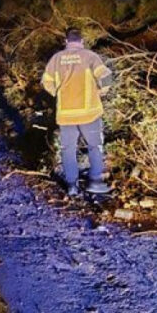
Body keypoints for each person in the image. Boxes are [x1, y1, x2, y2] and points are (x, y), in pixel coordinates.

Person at [42, 29, 113, 196]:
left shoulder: (56, 59)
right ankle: (95, 182)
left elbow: (46, 82)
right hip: (89, 114)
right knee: (95, 146)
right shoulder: (90, 56)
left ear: (66, 41)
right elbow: (106, 77)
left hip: (66, 115)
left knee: (68, 149)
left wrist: (58, 94)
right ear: (82, 41)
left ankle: (72, 186)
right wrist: (101, 91)